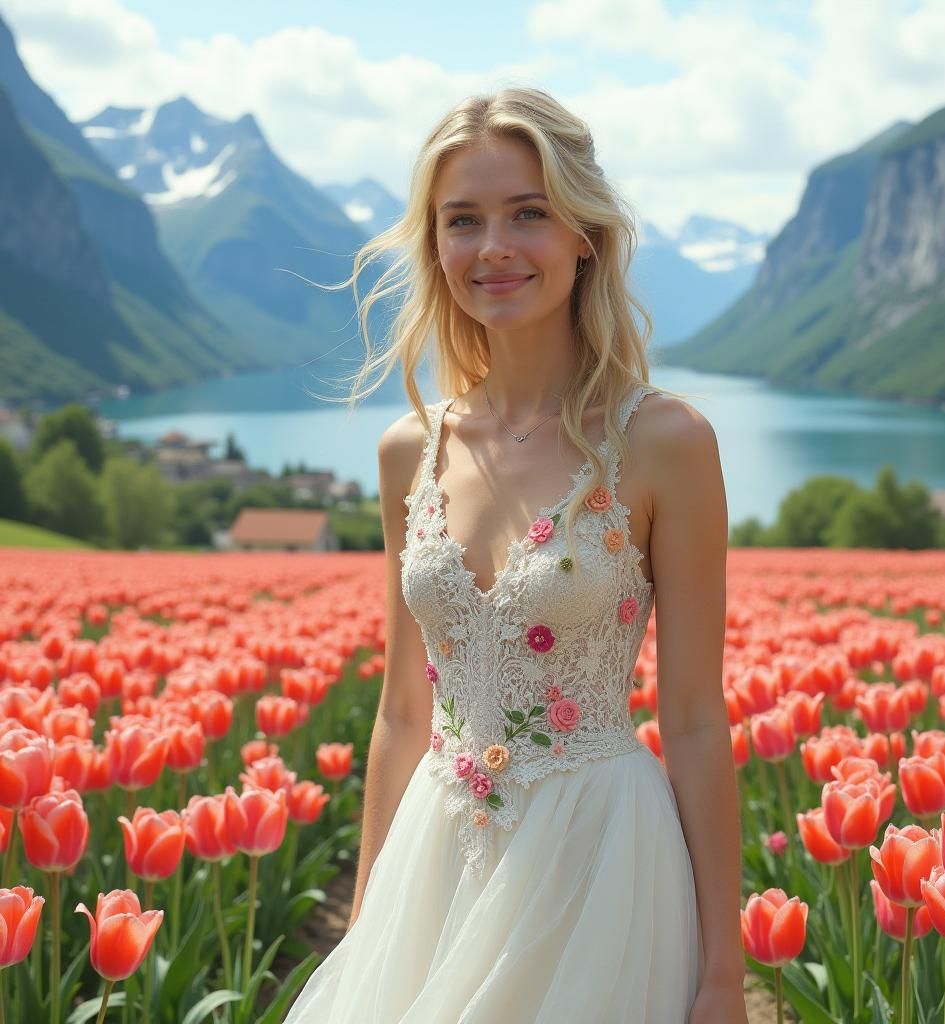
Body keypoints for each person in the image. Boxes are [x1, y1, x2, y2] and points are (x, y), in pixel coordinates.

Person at [285, 86, 746, 1023]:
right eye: (464, 221)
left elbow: (696, 718)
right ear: (436, 247)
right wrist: (370, 919)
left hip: (601, 865)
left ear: (585, 235)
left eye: (527, 213)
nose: (492, 246)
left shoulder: (665, 443)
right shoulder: (409, 452)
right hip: (436, 856)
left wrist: (723, 975)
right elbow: (402, 711)